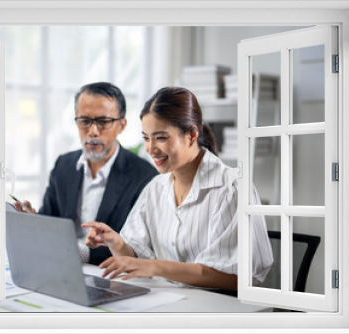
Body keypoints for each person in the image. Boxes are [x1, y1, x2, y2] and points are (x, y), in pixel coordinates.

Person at [82, 87, 273, 290]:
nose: (150, 148)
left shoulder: (232, 188)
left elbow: (243, 276)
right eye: (146, 138)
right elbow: (135, 261)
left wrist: (157, 267)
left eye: (161, 137)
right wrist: (116, 243)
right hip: (170, 301)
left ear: (191, 135)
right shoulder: (154, 188)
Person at [14, 82, 158, 265]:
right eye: (84, 121)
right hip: (60, 266)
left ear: (122, 125)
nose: (92, 131)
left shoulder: (144, 176)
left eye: (103, 122)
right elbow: (50, 220)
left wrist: (79, 253)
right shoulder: (63, 165)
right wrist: (33, 224)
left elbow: (138, 249)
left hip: (109, 275)